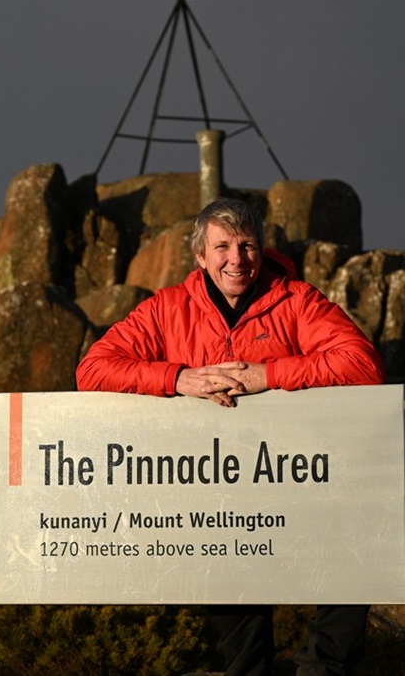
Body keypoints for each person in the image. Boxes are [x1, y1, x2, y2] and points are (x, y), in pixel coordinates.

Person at [76, 198, 386, 675]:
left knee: (343, 609)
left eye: (247, 246)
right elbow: (93, 369)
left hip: (307, 487)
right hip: (220, 501)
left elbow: (363, 365)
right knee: (242, 655)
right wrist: (179, 378)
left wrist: (271, 373)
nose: (236, 260)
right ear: (200, 256)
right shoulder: (166, 310)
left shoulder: (297, 300)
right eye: (222, 247)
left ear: (261, 251)